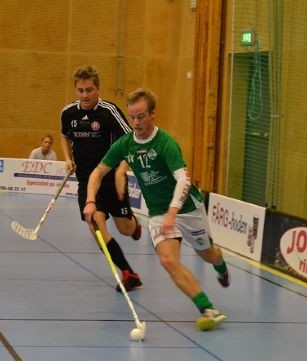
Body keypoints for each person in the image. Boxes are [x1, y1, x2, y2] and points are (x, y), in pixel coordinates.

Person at [83, 88, 230, 331]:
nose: (136, 122)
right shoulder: (126, 144)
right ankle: (208, 309)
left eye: (141, 116)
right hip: (159, 213)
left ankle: (220, 264)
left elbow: (184, 180)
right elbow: (98, 172)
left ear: (153, 114)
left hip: (188, 210)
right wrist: (90, 200)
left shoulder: (165, 143)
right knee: (168, 260)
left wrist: (173, 213)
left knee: (209, 254)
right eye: (132, 117)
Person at [60, 65, 143, 292]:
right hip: (87, 181)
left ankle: (134, 224)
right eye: (80, 90)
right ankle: (128, 273)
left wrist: (122, 169)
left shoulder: (109, 111)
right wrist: (67, 158)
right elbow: (64, 136)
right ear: (75, 90)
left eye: (89, 90)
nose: (85, 95)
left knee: (125, 228)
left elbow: (131, 140)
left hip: (110, 178)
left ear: (98, 89)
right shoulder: (68, 113)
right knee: (95, 226)